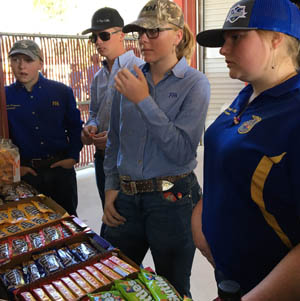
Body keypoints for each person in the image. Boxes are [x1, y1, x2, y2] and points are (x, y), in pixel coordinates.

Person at [102, 0, 210, 298]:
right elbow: (114, 139)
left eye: (154, 31)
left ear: (177, 35)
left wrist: (143, 100)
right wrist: (111, 186)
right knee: (108, 277)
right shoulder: (128, 74)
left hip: (172, 199)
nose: (143, 39)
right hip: (126, 197)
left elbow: (181, 152)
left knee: (172, 287)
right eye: (140, 32)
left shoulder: (195, 84)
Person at [195, 0, 300, 299]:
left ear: (276, 38)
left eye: (236, 37)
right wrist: (202, 219)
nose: (223, 50)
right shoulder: (248, 94)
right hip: (231, 278)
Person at [81, 7, 144, 229]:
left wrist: (114, 136)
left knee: (123, 223)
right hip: (102, 159)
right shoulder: (98, 77)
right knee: (109, 215)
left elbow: (144, 119)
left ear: (121, 35)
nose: (98, 41)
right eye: (94, 37)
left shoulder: (139, 70)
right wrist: (90, 127)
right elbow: (95, 113)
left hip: (128, 161)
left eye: (104, 35)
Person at [5, 39, 83, 215]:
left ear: (40, 63)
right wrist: (15, 169)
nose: (21, 66)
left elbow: (75, 127)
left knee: (68, 218)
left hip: (60, 170)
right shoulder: (4, 97)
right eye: (16, 60)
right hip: (26, 174)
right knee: (32, 222)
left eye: (28, 60)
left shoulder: (61, 92)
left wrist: (72, 156)